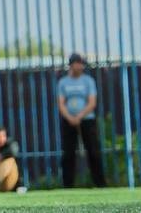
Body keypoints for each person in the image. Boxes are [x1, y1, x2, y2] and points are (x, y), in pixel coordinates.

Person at [58, 52, 107, 188]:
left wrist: (79, 116)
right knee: (68, 153)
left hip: (87, 119)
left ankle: (100, 183)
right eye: (77, 63)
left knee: (93, 151)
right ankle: (68, 185)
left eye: (81, 64)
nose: (80, 66)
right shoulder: (63, 82)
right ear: (71, 65)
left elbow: (92, 102)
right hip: (68, 120)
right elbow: (61, 103)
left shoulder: (88, 81)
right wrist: (70, 117)